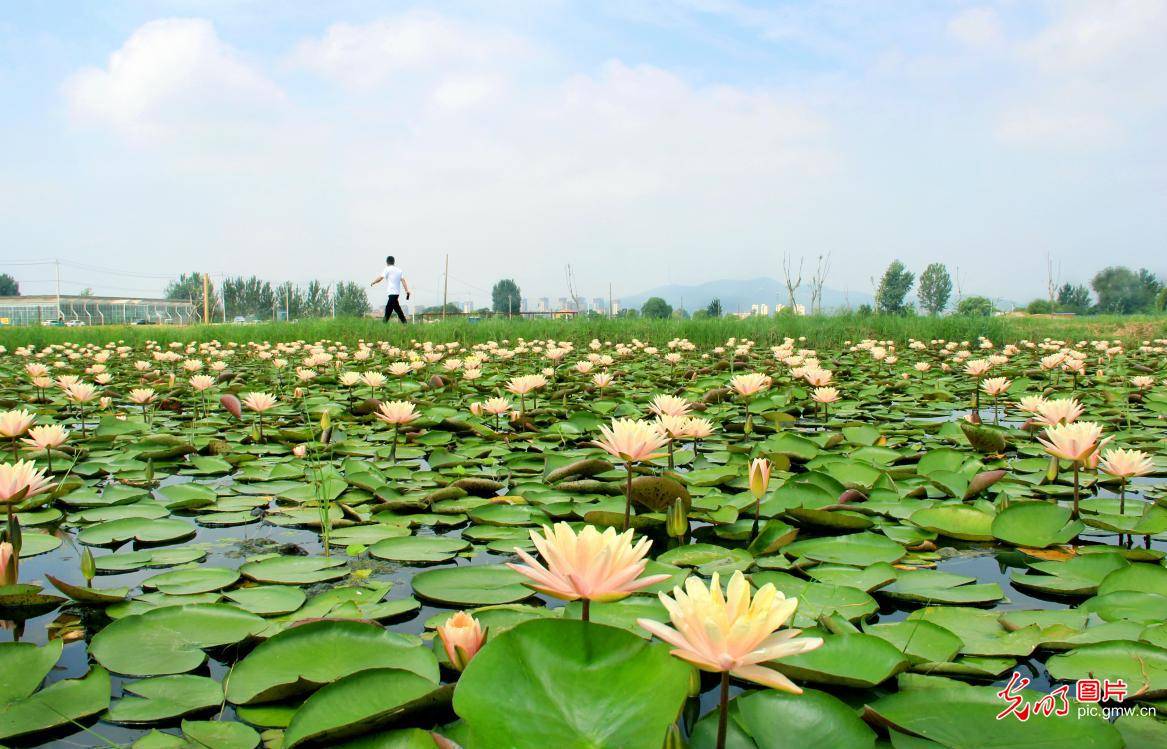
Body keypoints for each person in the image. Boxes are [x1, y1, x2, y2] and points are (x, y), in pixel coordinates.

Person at [370, 256, 411, 323]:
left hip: (391, 293)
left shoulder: (387, 269)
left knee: (388, 309)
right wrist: (406, 290)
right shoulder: (399, 270)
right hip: (397, 293)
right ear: (394, 262)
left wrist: (373, 282)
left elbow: (380, 278)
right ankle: (405, 323)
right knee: (397, 309)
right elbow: (403, 280)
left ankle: (384, 324)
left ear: (387, 262)